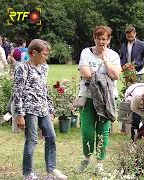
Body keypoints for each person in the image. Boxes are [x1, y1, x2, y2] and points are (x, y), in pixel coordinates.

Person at [13, 39, 67, 179]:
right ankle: (28, 173)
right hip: (29, 110)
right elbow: (17, 92)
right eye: (44, 54)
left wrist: (51, 108)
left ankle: (51, 170)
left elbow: (44, 89)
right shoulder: (23, 68)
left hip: (43, 108)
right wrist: (19, 115)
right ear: (34, 53)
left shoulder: (44, 68)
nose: (46, 57)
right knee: (32, 140)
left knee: (51, 137)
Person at [75, 26, 121, 173]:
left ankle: (100, 163)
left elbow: (116, 76)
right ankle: (86, 158)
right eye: (98, 38)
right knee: (87, 130)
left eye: (104, 39)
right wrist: (104, 77)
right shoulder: (86, 52)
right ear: (94, 38)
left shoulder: (113, 55)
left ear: (109, 40)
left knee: (103, 131)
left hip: (107, 99)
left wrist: (106, 62)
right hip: (88, 97)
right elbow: (84, 72)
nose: (101, 42)